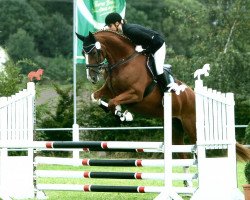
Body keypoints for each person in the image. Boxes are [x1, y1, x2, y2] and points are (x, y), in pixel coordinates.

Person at [104, 12, 169, 93]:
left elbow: (148, 39)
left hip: (157, 45)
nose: (109, 28)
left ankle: (167, 90)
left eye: (110, 26)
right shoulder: (124, 30)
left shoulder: (129, 30)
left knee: (158, 69)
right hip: (150, 44)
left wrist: (143, 48)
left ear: (117, 23)